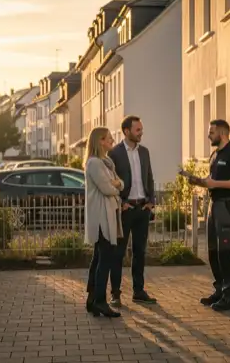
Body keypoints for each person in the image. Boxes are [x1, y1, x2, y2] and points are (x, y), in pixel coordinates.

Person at [189, 119, 230, 311]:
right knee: (213, 252)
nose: (209, 135)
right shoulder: (215, 155)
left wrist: (216, 184)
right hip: (214, 206)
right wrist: (200, 182)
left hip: (228, 206)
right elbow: (214, 181)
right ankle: (220, 291)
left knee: (226, 252)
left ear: (222, 133)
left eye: (211, 132)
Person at [107, 115, 157, 306]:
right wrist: (120, 203)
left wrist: (151, 201)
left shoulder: (144, 152)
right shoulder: (115, 153)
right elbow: (110, 181)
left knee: (140, 252)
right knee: (118, 253)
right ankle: (115, 293)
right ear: (126, 131)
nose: (141, 133)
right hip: (125, 210)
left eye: (141, 129)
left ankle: (138, 291)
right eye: (138, 130)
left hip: (142, 208)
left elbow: (150, 177)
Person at [84, 127, 125, 318]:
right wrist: (115, 186)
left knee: (100, 257)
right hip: (101, 217)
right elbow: (109, 188)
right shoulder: (94, 163)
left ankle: (93, 299)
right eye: (109, 138)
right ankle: (99, 300)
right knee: (104, 258)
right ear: (100, 141)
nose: (112, 140)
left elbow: (120, 182)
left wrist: (116, 185)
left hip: (108, 214)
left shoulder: (106, 162)